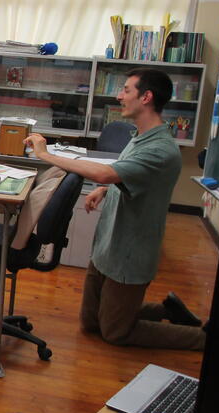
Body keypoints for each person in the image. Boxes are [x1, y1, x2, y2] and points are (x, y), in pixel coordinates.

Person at [23, 68, 205, 350]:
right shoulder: (140, 136)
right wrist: (106, 190)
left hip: (130, 254)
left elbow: (106, 173)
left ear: (146, 97)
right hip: (108, 245)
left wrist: (46, 155)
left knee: (115, 333)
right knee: (91, 322)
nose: (119, 96)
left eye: (126, 90)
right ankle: (167, 310)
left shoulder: (160, 149)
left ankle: (206, 339)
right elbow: (132, 176)